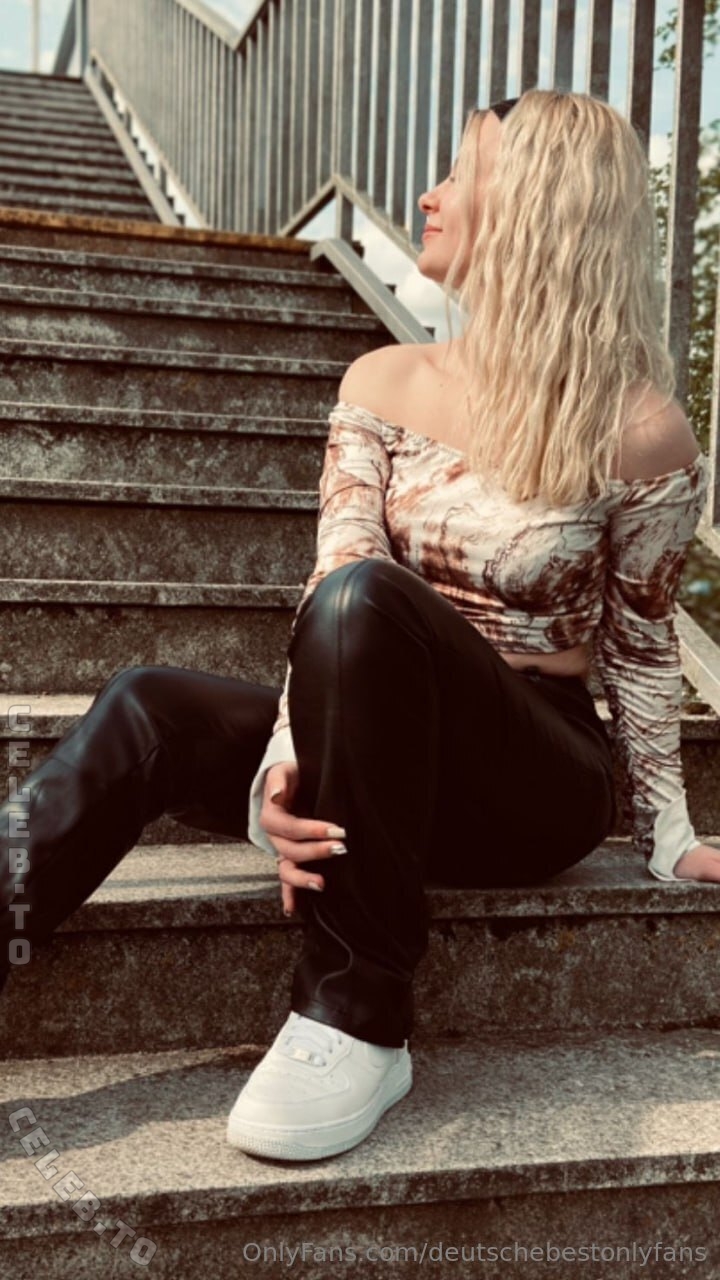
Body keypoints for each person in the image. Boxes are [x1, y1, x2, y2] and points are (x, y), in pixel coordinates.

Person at [0, 90, 715, 1165]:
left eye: (458, 175)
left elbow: (644, 640)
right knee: (150, 704)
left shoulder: (641, 431)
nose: (427, 195)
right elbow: (333, 569)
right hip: (367, 745)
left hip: (531, 776)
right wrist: (289, 757)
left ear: (536, 208)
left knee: (368, 602)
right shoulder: (380, 382)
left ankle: (358, 1013)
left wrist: (669, 830)